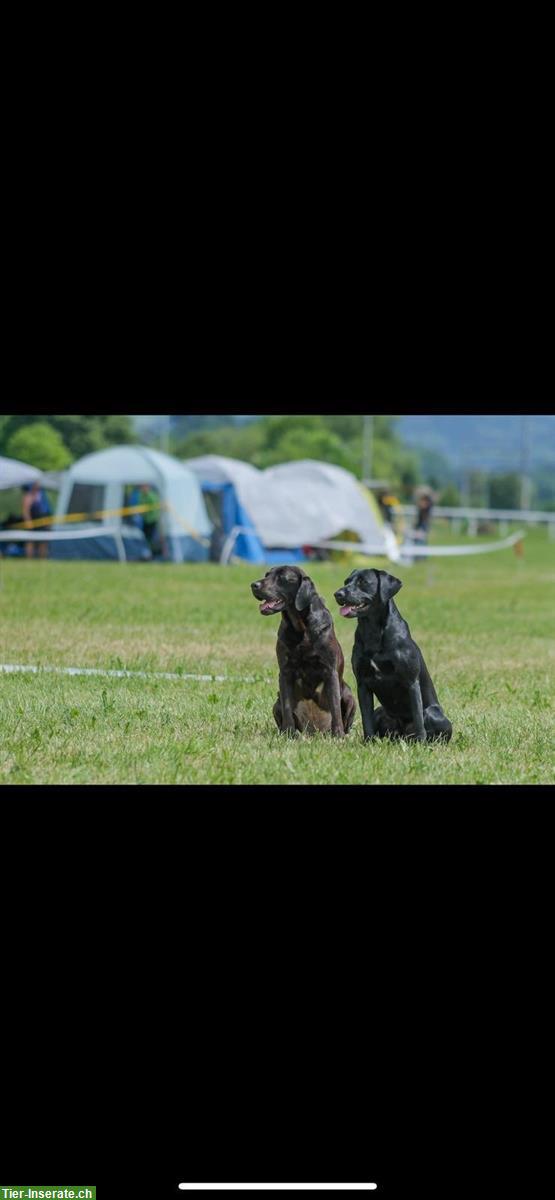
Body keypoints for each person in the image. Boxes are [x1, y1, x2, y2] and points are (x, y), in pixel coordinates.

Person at [22, 481, 51, 559]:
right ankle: (29, 559)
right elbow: (25, 511)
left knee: (43, 541)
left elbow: (47, 510)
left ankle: (42, 559)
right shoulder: (28, 496)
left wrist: (48, 523)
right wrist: (28, 522)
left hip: (43, 522)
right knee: (30, 541)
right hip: (33, 522)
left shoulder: (43, 495)